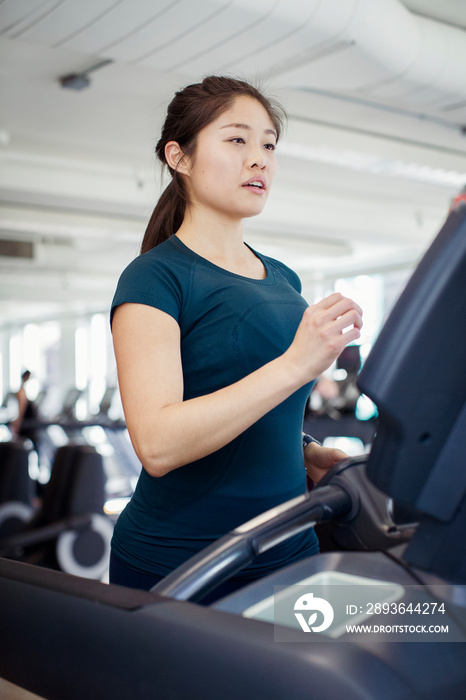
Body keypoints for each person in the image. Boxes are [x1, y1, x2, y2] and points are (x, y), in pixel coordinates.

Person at [109, 76, 363, 598]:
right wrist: (298, 362)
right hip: (184, 560)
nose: (260, 159)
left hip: (289, 546)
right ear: (179, 157)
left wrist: (305, 450)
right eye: (237, 140)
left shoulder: (284, 279)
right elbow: (157, 445)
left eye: (269, 144)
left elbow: (244, 405)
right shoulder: (154, 278)